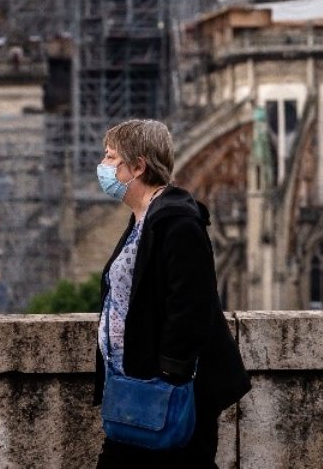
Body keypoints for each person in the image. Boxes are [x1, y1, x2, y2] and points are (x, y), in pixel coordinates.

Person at [93, 119, 251, 468]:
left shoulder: (177, 220)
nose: (103, 167)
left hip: (164, 394)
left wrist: (168, 376)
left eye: (110, 158)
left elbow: (191, 307)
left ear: (138, 166)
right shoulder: (142, 219)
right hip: (135, 389)